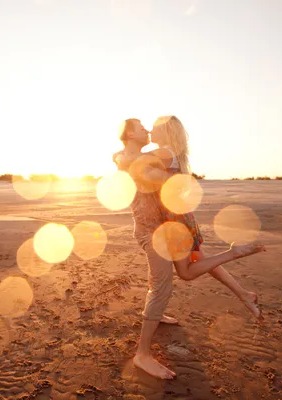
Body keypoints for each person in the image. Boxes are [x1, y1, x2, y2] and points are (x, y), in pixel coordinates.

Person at [113, 117, 265, 380]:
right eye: (142, 128)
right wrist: (121, 157)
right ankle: (143, 353)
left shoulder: (161, 154)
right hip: (158, 227)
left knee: (179, 274)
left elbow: (141, 168)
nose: (149, 129)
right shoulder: (158, 154)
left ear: (167, 132)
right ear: (129, 134)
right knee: (169, 280)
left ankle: (147, 341)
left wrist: (122, 158)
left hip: (170, 225)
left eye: (154, 126)